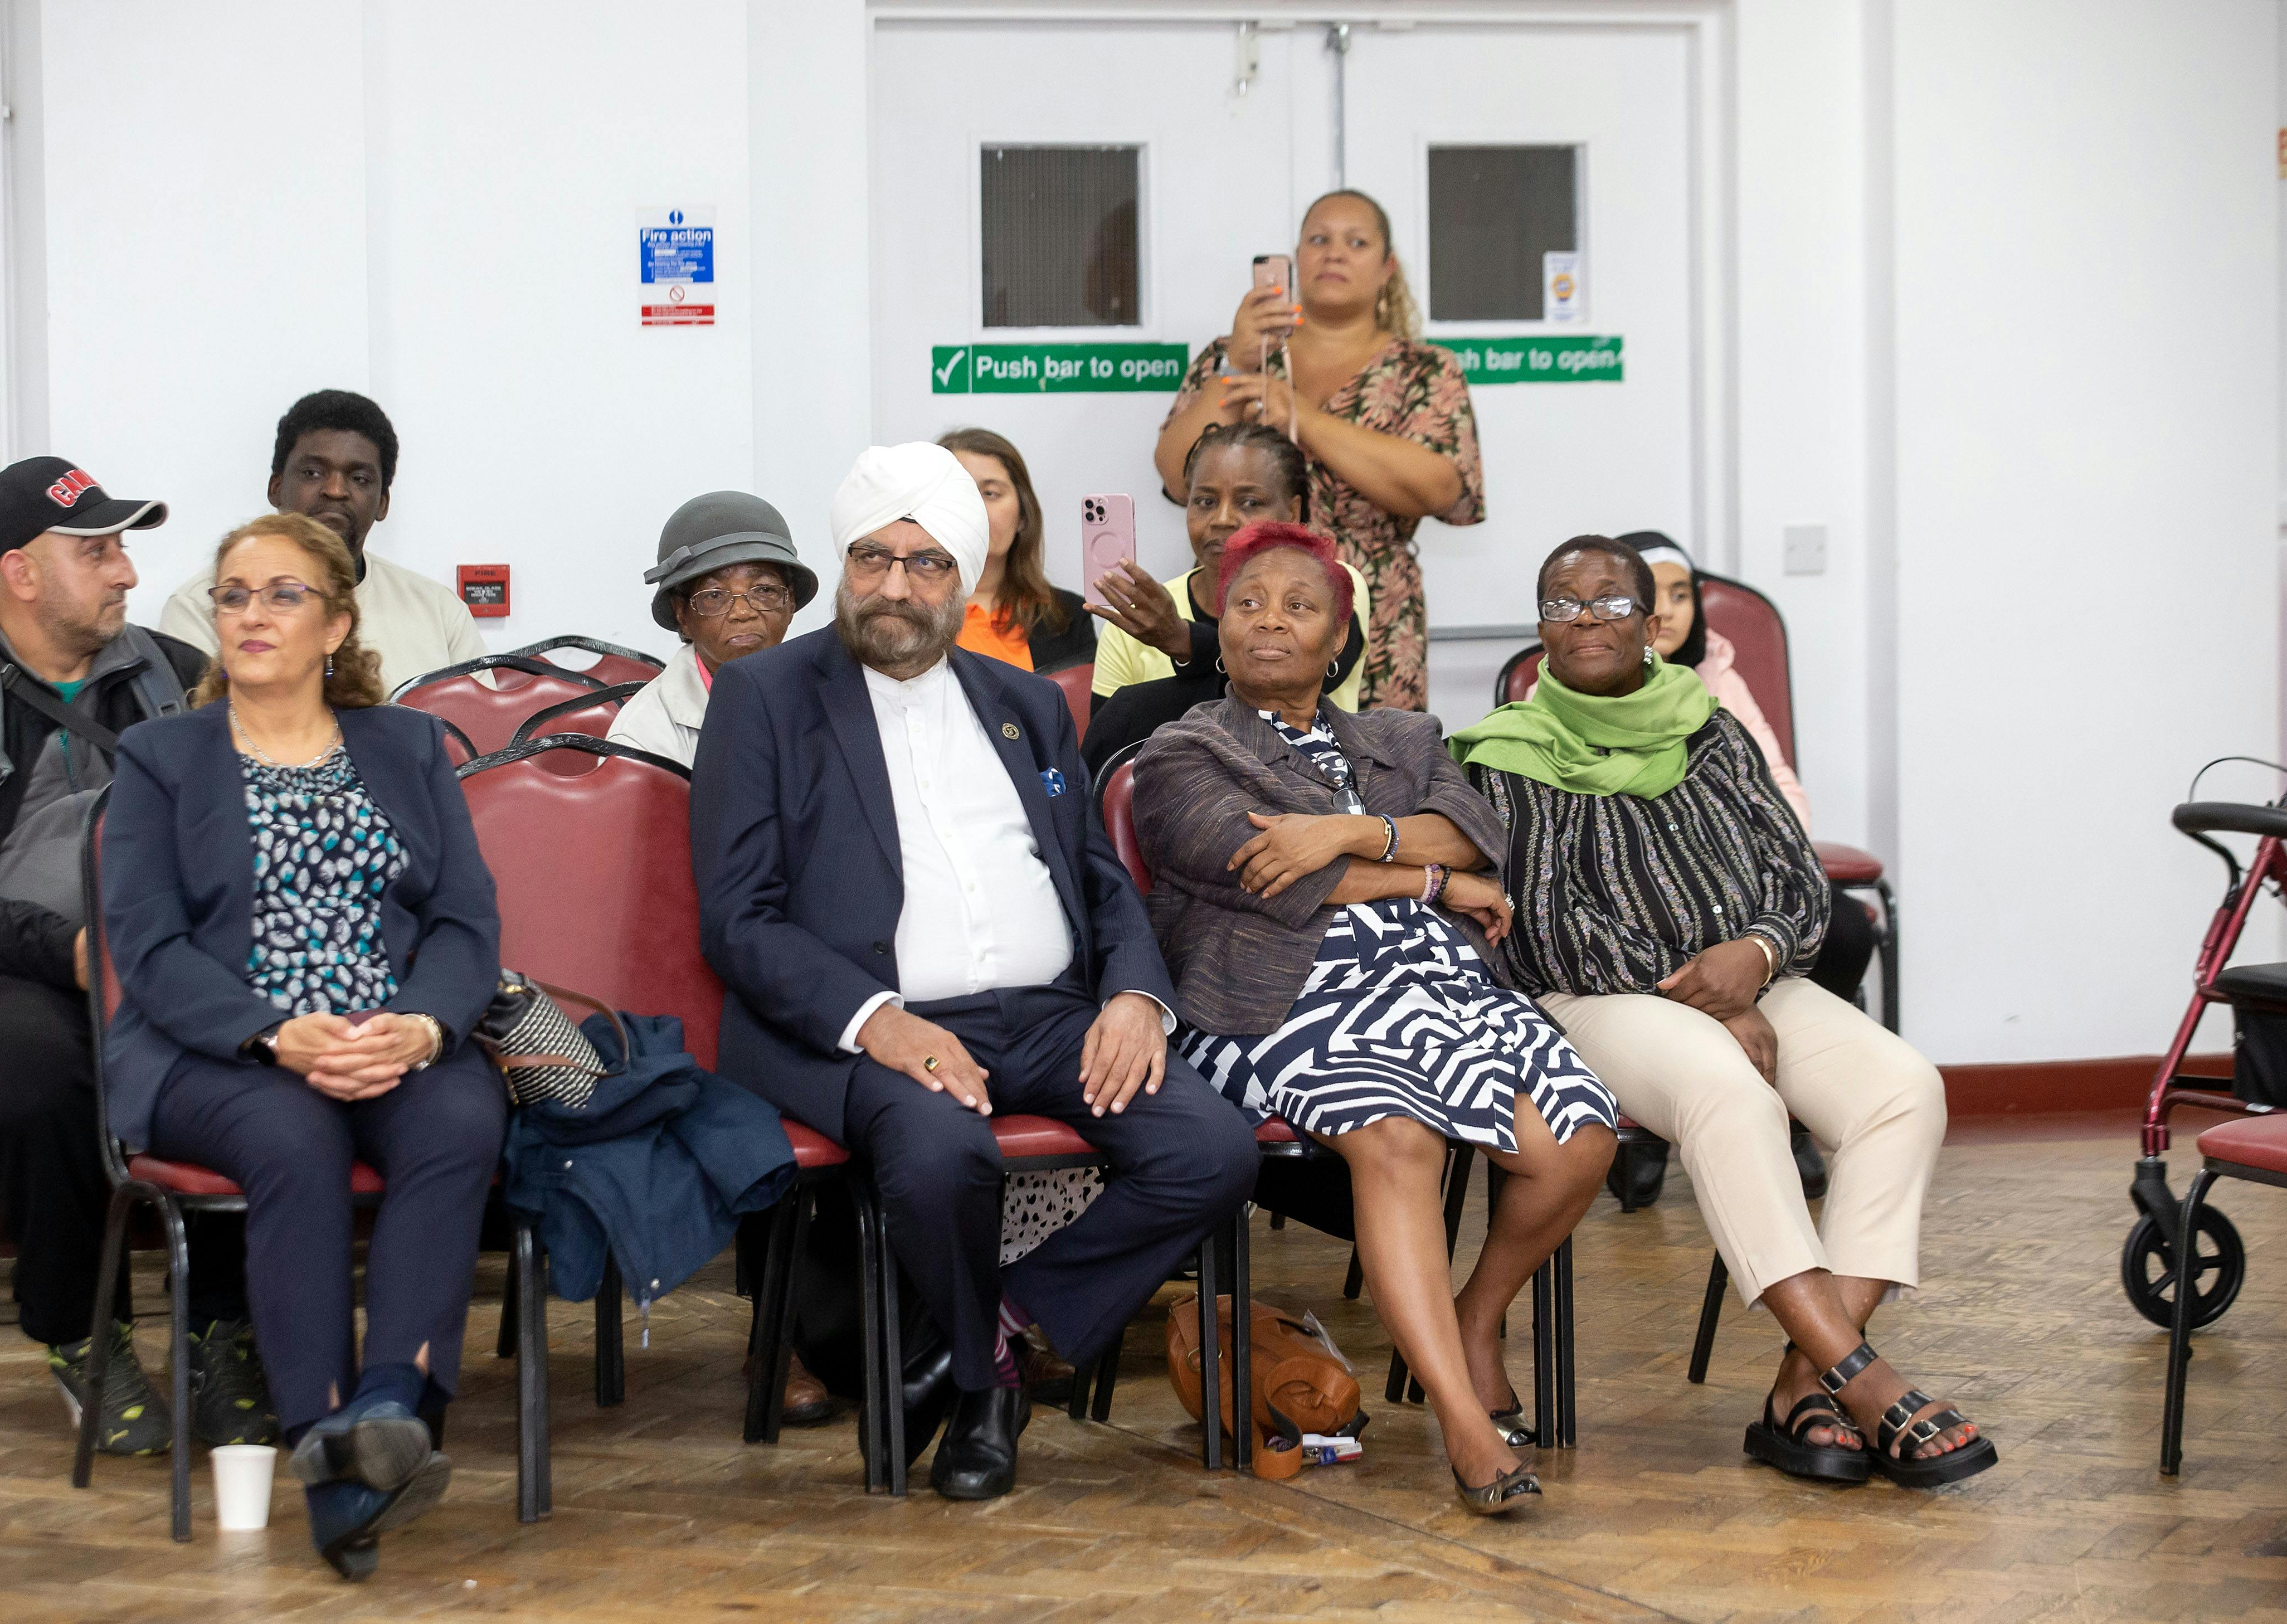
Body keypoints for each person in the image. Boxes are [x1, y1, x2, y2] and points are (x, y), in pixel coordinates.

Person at [692, 442, 1261, 1501]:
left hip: (1047, 1017)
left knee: (1211, 1147)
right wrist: (880, 1021)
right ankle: (987, 1392)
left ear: (963, 576)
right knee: (941, 1153)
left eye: (926, 563)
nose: (896, 586)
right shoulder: (766, 697)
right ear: (846, 565)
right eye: (873, 558)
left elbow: (1096, 875)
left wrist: (1136, 994)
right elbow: (740, 919)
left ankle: (991, 1340)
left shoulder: (1026, 702)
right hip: (870, 1026)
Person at [1454, 535, 1997, 1489]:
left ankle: (1803, 1380)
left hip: (1750, 982)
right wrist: (1708, 999)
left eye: (1612, 602)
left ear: (1653, 624)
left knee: (1902, 1088)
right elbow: (1547, 929)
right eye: (1563, 602)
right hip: (1595, 1001)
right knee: (1729, 1090)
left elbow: (1796, 874)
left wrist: (1755, 957)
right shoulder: (1507, 752)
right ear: (1540, 628)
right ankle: (1863, 1380)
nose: (1587, 618)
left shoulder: (1710, 729)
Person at [1134, 522, 1614, 1514]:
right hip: (1280, 997)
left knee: (1578, 1141)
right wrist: (1430, 877)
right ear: (1218, 623)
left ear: (1338, 638)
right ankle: (1464, 1423)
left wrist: (1351, 833)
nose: (1271, 619)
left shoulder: (1405, 738)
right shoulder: (1184, 753)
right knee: (1396, 1141)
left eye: (1300, 606)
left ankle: (1474, 1319)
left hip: (1443, 988)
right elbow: (1262, 875)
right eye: (1251, 601)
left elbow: (1481, 838)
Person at [104, 512, 506, 1580]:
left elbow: (467, 919)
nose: (251, 614)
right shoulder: (162, 758)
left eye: (282, 594)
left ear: (335, 623)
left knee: (464, 1115)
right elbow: (144, 944)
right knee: (294, 1140)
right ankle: (330, 1448)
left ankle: (385, 1409)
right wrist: (276, 1033)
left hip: (389, 1034)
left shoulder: (406, 744)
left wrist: (422, 1026)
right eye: (234, 594)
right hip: (222, 1051)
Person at [0, 456, 261, 1455]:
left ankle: (224, 1328)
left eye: (124, 547)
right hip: (15, 972)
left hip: (174, 951)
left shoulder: (184, 678)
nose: (127, 572)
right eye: (98, 550)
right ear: (20, 574)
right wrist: (71, 951)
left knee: (239, 1052)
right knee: (37, 1073)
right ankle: (86, 1337)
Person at [1154, 191, 1483, 711]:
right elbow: (1177, 475)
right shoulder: (1237, 356)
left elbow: (1437, 487)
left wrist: (1300, 415)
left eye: (1356, 242)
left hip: (1373, 609)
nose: (1334, 254)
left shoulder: (1425, 370)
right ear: (1296, 258)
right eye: (1318, 240)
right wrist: (1239, 362)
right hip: (1247, 610)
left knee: (1375, 777)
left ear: (1386, 268)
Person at [1620, 529, 1879, 1006]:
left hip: (1741, 867)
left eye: (1682, 595)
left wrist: (1777, 855)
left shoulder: (1720, 676)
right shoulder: (1580, 684)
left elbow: (1778, 782)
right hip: (1645, 881)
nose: (1671, 610)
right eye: (1654, 594)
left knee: (1842, 930)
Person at [1082, 423, 1371, 774]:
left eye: (1249, 502)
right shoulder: (1137, 617)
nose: (1222, 520)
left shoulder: (1331, 585)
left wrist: (1184, 641)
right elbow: (1109, 761)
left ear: (1293, 512)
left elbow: (1292, 685)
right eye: (1205, 501)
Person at [159, 390, 486, 688]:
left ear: (383, 503)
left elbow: (485, 745)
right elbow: (196, 743)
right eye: (313, 473)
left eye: (359, 478)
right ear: (276, 487)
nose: (335, 490)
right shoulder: (203, 606)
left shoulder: (440, 612)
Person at [612, 492, 820, 772]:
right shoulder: (642, 737)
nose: (743, 612)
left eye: (764, 590)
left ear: (790, 601)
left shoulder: (835, 697)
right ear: (682, 614)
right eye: (714, 596)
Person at [937, 429, 1097, 673]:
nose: (976, 509)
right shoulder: (905, 609)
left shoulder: (1068, 617)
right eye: (961, 492)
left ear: (1023, 515)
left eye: (990, 493)